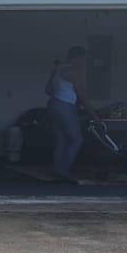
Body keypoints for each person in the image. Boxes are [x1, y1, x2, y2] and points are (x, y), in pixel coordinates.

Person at [45, 46, 87, 184]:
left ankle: (57, 172)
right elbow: (82, 97)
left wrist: (61, 93)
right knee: (76, 140)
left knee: (61, 140)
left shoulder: (57, 69)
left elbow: (47, 90)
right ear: (77, 59)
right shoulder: (75, 72)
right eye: (82, 59)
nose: (83, 62)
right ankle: (64, 172)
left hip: (53, 104)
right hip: (65, 106)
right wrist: (95, 115)